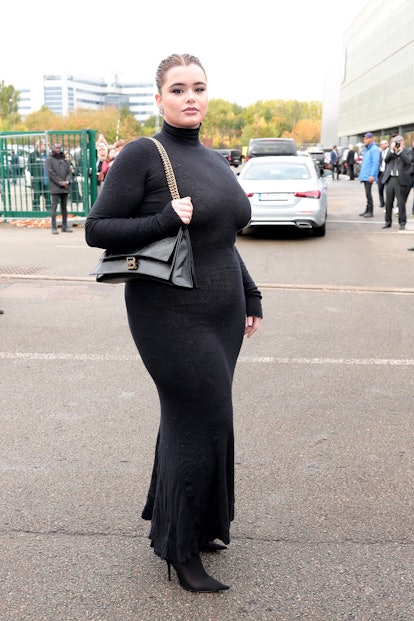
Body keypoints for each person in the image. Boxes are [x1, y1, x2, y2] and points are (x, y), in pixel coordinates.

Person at [85, 53, 263, 593]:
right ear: (159, 98)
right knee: (201, 416)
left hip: (224, 312)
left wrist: (250, 292)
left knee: (200, 420)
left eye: (199, 88)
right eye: (179, 89)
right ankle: (179, 551)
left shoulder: (213, 159)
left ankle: (197, 525)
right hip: (169, 313)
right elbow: (98, 229)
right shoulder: (145, 153)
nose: (191, 97)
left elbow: (223, 239)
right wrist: (166, 217)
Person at [381, 135, 411, 230]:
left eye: (398, 142)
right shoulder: (391, 151)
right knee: (389, 202)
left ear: (403, 142)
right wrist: (392, 150)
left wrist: (400, 152)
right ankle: (388, 221)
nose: (397, 144)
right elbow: (386, 160)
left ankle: (402, 222)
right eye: (395, 142)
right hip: (390, 178)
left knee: (401, 202)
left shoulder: (407, 151)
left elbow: (408, 161)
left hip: (400, 179)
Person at [46, 142, 73, 234]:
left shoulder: (64, 159)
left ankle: (64, 226)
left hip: (65, 186)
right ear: (52, 148)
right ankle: (54, 227)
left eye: (59, 148)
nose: (58, 149)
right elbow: (50, 173)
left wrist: (67, 181)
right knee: (54, 207)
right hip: (55, 187)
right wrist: (60, 182)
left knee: (64, 207)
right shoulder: (49, 159)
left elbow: (69, 172)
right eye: (56, 148)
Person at [359, 132, 380, 218]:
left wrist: (372, 175)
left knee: (368, 194)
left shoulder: (374, 149)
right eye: (364, 138)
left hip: (369, 176)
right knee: (367, 194)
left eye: (367, 138)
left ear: (371, 139)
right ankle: (367, 210)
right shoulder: (367, 149)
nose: (365, 140)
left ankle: (370, 211)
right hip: (365, 175)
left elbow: (375, 163)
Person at [28, 139, 50, 210]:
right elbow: (30, 166)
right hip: (38, 181)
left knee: (48, 197)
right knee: (36, 197)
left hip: (47, 180)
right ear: (39, 145)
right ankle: (36, 211)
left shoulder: (48, 155)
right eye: (45, 145)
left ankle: (49, 211)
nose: (46, 146)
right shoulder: (32, 155)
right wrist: (35, 174)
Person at [377, 139, 390, 207]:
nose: (383, 145)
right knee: (380, 188)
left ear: (387, 144)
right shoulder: (380, 152)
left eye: (385, 143)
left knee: (388, 190)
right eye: (381, 144)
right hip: (381, 172)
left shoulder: (390, 152)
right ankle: (382, 203)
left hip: (387, 172)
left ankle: (389, 203)